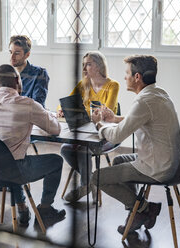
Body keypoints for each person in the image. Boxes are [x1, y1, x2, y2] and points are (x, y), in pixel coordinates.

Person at [91, 55, 180, 234]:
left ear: (137, 77)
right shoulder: (158, 93)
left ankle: (143, 209)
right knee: (118, 161)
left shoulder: (143, 101)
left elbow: (116, 136)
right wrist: (115, 118)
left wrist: (99, 124)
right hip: (169, 161)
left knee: (97, 177)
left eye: (127, 73)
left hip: (157, 167)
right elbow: (143, 119)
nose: (125, 77)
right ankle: (135, 214)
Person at [0, 64, 66, 227]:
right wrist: (46, 114)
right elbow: (55, 129)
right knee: (55, 161)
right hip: (13, 170)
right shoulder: (27, 104)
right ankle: (45, 209)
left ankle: (22, 207)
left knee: (11, 155)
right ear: (18, 81)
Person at [58, 51, 120, 203]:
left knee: (83, 149)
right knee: (65, 149)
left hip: (105, 133)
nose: (85, 67)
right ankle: (90, 183)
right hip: (85, 132)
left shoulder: (112, 85)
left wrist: (81, 113)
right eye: (83, 64)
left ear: (99, 66)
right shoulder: (83, 84)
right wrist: (62, 109)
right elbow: (67, 103)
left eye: (89, 64)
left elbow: (107, 111)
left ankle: (85, 185)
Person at [0, 35, 49, 108]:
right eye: (10, 52)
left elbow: (37, 106)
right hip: (7, 117)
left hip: (29, 118)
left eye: (17, 53)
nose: (12, 57)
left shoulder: (40, 74)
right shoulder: (5, 73)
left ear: (27, 54)